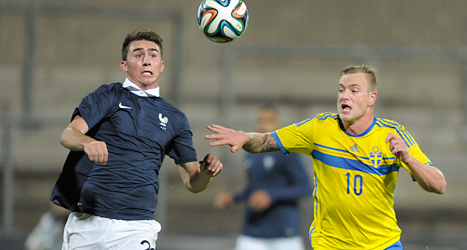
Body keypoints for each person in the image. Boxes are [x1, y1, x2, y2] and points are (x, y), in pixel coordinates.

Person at [205, 65, 446, 250]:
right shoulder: (318, 128)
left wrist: (409, 159)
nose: (345, 96)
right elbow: (266, 141)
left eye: (354, 90)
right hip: (329, 244)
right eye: (341, 90)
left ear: (372, 98)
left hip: (382, 245)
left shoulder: (393, 134)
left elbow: (439, 185)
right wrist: (245, 138)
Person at [50, 28, 223, 250]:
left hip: (136, 227)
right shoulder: (108, 95)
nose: (146, 61)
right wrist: (88, 142)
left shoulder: (175, 119)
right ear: (125, 65)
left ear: (161, 65)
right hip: (88, 221)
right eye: (138, 54)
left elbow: (192, 181)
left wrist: (206, 174)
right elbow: (68, 134)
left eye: (153, 54)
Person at [214, 105, 313, 250]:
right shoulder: (251, 154)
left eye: (269, 120)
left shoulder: (287, 152)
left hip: (283, 234)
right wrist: (233, 198)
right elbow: (254, 189)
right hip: (253, 233)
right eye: (260, 120)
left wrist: (272, 195)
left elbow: (305, 187)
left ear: (278, 125)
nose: (263, 124)